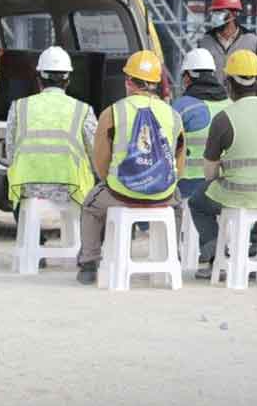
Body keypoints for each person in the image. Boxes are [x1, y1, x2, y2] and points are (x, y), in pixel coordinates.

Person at [76, 50, 186, 284]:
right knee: (177, 205)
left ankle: (88, 263)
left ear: (128, 82)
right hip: (162, 195)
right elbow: (179, 161)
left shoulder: (113, 112)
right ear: (156, 83)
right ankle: (172, 255)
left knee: (90, 206)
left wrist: (112, 183)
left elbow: (101, 159)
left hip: (120, 193)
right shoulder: (173, 115)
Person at [188, 50, 257, 279]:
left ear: (228, 83)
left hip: (243, 193)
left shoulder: (225, 117)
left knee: (198, 202)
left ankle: (213, 259)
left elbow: (210, 171)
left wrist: (221, 176)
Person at [5, 46, 98, 217]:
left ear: (38, 79)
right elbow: (95, 154)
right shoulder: (83, 110)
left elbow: (10, 154)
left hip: (28, 187)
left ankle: (32, 239)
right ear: (68, 79)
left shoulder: (18, 107)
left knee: (17, 189)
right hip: (72, 188)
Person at [171, 48, 230, 202]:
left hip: (187, 186)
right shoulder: (230, 105)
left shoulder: (182, 107)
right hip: (223, 185)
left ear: (189, 76)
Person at [197, 0, 257, 96]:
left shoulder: (252, 42)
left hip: (243, 105)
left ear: (234, 14)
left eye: (221, 12)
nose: (216, 16)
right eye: (215, 12)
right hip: (213, 103)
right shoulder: (205, 43)